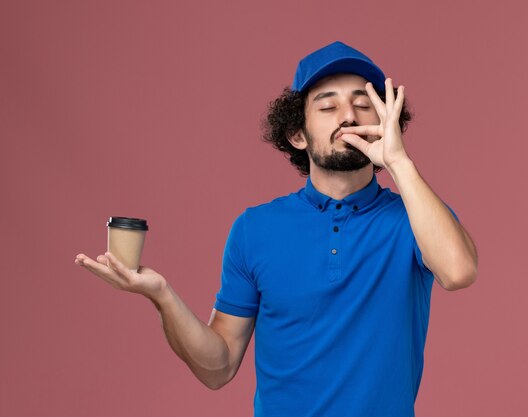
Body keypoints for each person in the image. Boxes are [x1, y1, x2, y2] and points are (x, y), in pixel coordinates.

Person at [75, 41, 478, 417]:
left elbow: (458, 272)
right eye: (327, 106)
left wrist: (398, 162)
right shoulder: (254, 229)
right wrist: (161, 296)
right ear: (297, 134)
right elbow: (218, 367)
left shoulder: (415, 216)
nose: (350, 116)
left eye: (363, 104)